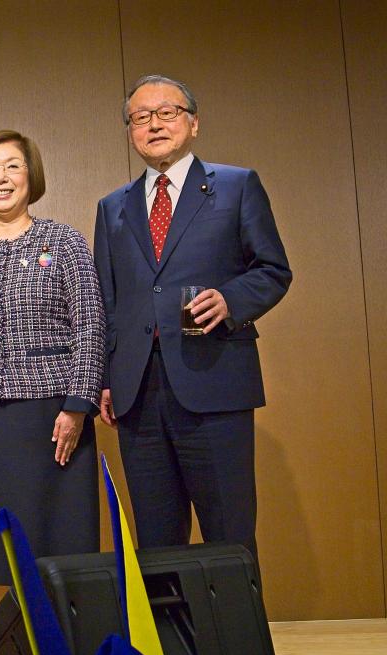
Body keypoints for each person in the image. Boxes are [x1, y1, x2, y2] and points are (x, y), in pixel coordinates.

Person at [93, 75, 292, 560]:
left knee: (229, 533)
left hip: (215, 381)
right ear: (130, 131)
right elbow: (107, 300)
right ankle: (169, 638)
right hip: (137, 393)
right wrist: (104, 378)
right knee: (157, 541)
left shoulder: (236, 185)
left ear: (193, 122)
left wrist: (231, 300)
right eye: (140, 117)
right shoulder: (112, 207)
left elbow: (273, 270)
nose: (153, 124)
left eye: (167, 112)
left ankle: (236, 640)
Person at [0, 130, 105, 604]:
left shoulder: (63, 241)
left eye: (12, 166)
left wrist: (78, 405)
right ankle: (17, 653)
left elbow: (91, 325)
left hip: (52, 421)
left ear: (30, 176)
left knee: (55, 544)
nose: (1, 177)